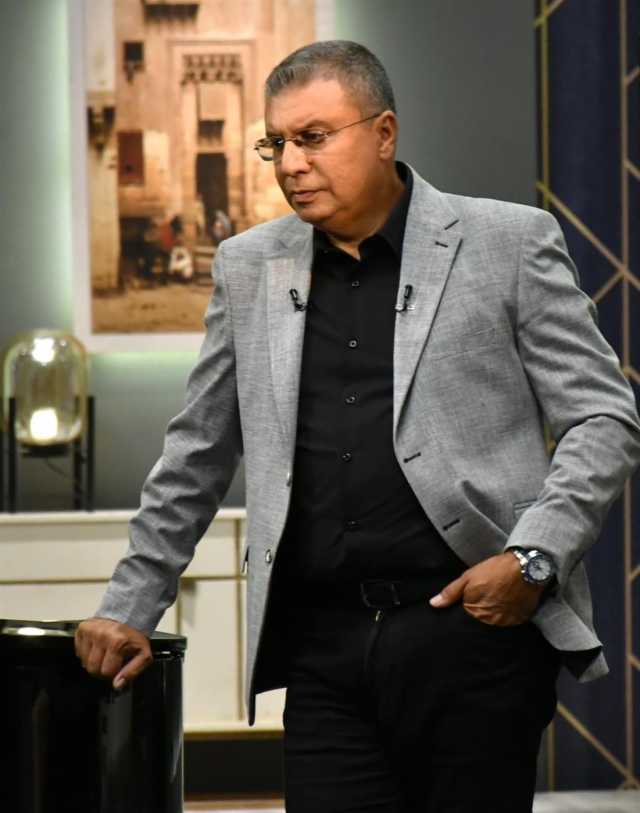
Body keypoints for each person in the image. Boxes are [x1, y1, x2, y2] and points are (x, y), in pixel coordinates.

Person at [75, 41, 640, 812]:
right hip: (323, 649)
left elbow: (603, 416)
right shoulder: (248, 266)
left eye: (313, 137)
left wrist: (532, 558)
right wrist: (129, 602)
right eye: (276, 143)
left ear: (383, 133)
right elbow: (196, 452)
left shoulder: (508, 242)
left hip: (473, 635)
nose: (291, 164)